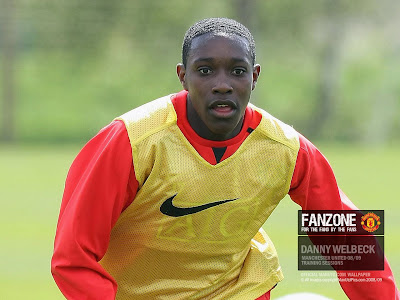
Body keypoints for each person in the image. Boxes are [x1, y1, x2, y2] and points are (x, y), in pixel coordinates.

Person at [51, 18, 399, 299]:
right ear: (182, 76)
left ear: (255, 77)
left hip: (239, 290)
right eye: (205, 71)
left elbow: (348, 239)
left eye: (237, 71)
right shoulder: (131, 141)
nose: (222, 84)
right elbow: (73, 257)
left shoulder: (287, 149)